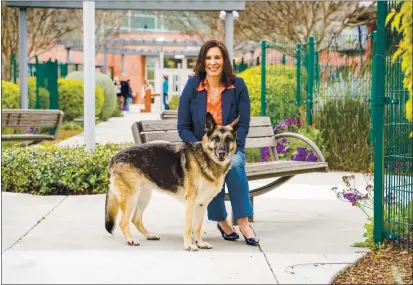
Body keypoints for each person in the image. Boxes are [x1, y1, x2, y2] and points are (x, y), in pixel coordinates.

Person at [177, 40, 259, 246]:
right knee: (208, 170)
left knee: (235, 165)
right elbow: (183, 126)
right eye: (208, 58)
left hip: (229, 147)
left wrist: (234, 148)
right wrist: (202, 149)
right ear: (203, 62)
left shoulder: (237, 85)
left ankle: (244, 223)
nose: (213, 62)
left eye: (217, 58)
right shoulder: (192, 86)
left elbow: (244, 122)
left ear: (224, 61)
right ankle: (222, 222)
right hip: (200, 149)